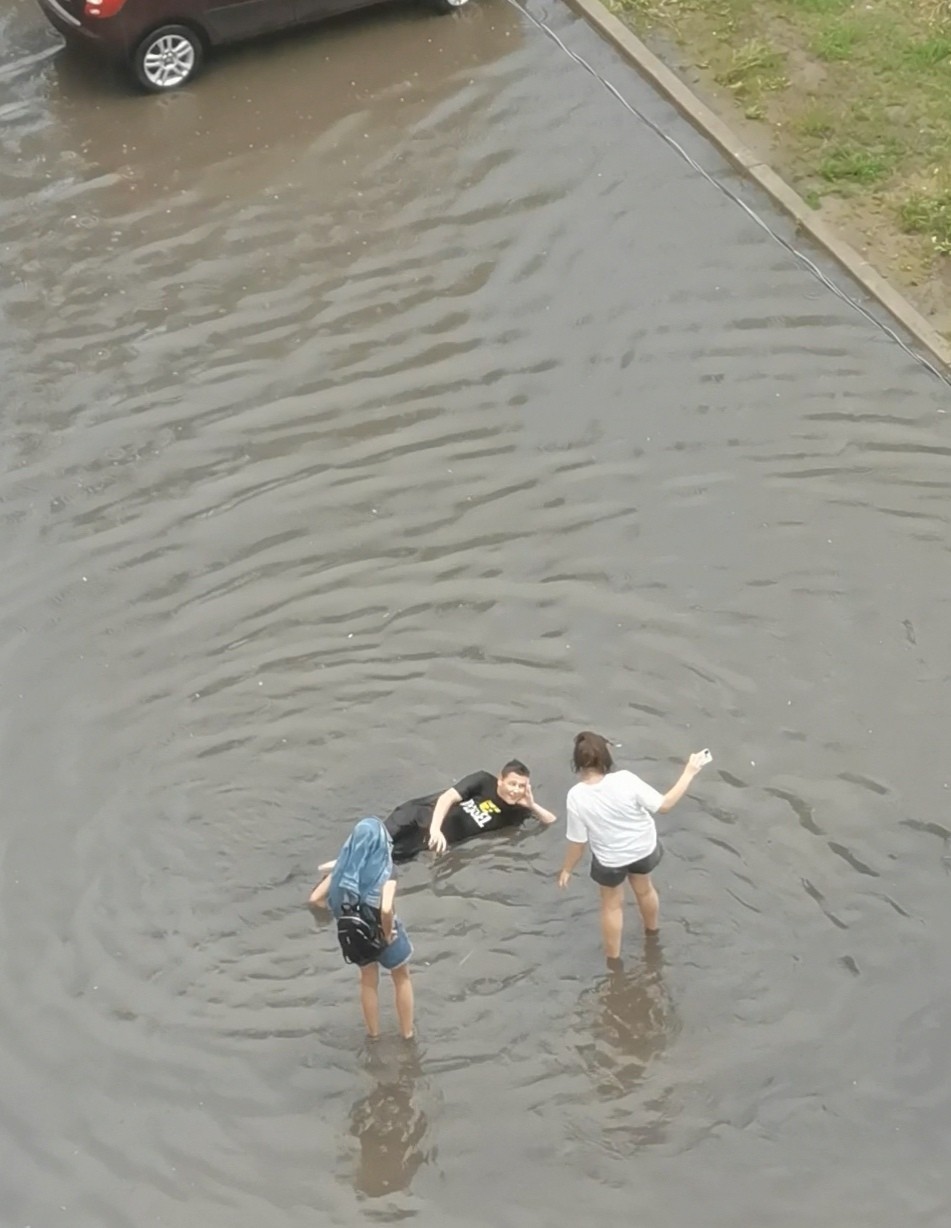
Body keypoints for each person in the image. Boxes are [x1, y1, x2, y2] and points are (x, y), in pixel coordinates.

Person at [557, 731, 711, 958]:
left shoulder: (576, 797)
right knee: (644, 888)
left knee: (611, 905)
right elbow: (665, 805)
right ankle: (652, 932)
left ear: (577, 763)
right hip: (643, 850)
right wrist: (690, 771)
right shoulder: (625, 780)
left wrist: (567, 870)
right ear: (605, 757)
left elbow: (578, 842)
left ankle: (613, 960)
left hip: (610, 861)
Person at [310, 817, 415, 1040]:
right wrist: (387, 935)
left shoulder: (343, 870)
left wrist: (342, 917)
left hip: (354, 933)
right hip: (382, 929)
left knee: (368, 982)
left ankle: (373, 1034)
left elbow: (316, 899)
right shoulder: (386, 870)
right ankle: (407, 1033)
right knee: (401, 977)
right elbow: (386, 909)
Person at [382, 760, 558, 862]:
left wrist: (531, 804)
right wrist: (435, 829)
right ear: (500, 781)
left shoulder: (518, 812)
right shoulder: (482, 780)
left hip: (428, 840)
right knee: (373, 843)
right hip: (417, 815)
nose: (516, 790)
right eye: (512, 784)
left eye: (521, 786)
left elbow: (550, 821)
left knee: (385, 861)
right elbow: (447, 798)